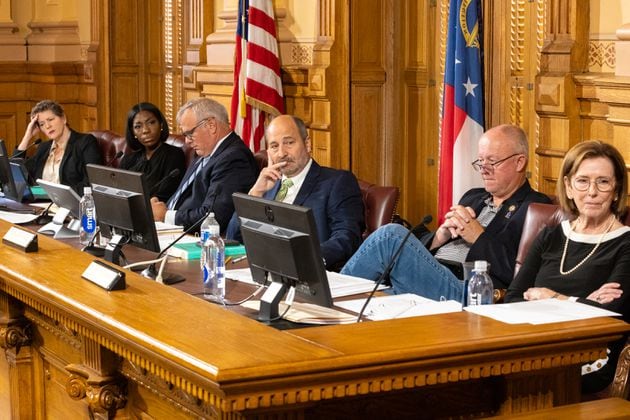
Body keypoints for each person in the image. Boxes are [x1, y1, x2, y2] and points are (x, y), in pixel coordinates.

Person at [340, 124, 551, 300]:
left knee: (391, 235)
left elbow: (520, 273)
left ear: (519, 162)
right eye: (481, 161)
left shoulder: (535, 208)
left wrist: (479, 237)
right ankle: (325, 313)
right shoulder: (473, 197)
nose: (484, 168)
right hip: (433, 277)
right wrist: (439, 237)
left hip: (470, 290)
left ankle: (326, 301)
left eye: (492, 161)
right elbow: (424, 250)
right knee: (364, 298)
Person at [505, 140, 630, 393]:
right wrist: (583, 302)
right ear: (568, 187)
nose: (592, 192)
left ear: (616, 190)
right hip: (532, 342)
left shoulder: (626, 243)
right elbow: (513, 299)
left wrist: (552, 297)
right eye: (582, 181)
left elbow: (609, 313)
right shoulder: (549, 236)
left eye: (603, 182)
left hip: (592, 354)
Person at [226, 115, 365, 269]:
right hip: (263, 272)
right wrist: (254, 195)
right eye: (274, 146)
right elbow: (233, 239)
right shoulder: (267, 185)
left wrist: (302, 260)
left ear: (307, 144)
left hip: (310, 274)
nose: (281, 153)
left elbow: (346, 238)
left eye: (289, 143)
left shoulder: (337, 182)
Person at [150, 97, 258, 232]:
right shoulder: (205, 151)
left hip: (196, 239)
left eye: (189, 133)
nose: (187, 141)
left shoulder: (234, 158)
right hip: (170, 229)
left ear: (211, 125)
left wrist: (165, 216)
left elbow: (212, 217)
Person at [14, 99, 102, 194]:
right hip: (41, 205)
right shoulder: (43, 148)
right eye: (42, 124)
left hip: (70, 204)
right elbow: (16, 175)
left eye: (50, 120)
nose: (47, 126)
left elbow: (92, 183)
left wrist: (61, 195)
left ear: (63, 118)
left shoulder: (85, 142)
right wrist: (27, 136)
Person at [120, 102, 185, 202]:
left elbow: (166, 194)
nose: (145, 130)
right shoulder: (128, 160)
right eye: (138, 126)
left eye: (151, 123)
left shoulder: (174, 155)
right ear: (133, 132)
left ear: (161, 124)